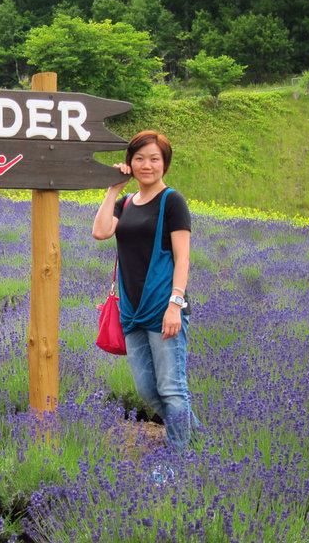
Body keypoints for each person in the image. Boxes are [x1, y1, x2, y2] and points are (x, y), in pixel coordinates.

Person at [92, 130, 198, 450]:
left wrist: (175, 304)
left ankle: (181, 460)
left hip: (163, 308)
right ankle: (201, 445)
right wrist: (114, 188)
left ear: (165, 163)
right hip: (131, 310)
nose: (147, 165)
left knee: (172, 389)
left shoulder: (172, 201)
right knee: (148, 390)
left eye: (154, 159)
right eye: (139, 158)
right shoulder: (125, 203)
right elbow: (100, 232)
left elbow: (182, 258)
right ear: (130, 163)